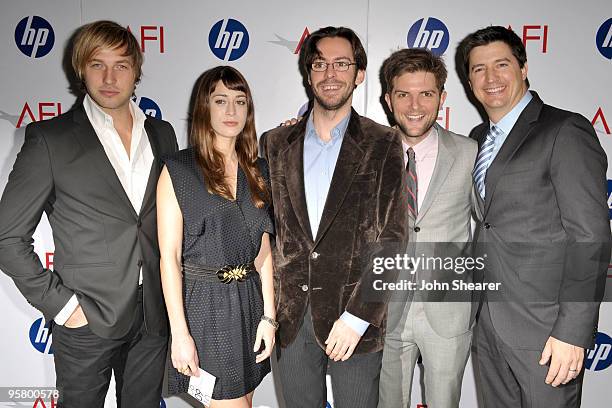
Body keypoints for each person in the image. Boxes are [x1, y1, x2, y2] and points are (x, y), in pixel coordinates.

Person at [0, 21, 178, 407]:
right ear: (81, 69)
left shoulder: (163, 135)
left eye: (122, 65)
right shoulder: (50, 139)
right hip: (86, 320)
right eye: (98, 64)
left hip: (153, 318)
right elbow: (7, 238)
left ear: (137, 71)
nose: (110, 77)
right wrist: (63, 306)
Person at [460, 25, 610, 407]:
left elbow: (590, 237)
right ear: (469, 79)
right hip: (487, 322)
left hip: (547, 330)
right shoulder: (477, 138)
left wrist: (573, 332)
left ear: (523, 68)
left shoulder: (565, 130)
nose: (490, 78)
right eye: (478, 69)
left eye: (501, 65)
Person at [261, 26, 408, 407]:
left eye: (342, 64)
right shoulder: (275, 143)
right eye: (320, 64)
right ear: (308, 73)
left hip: (354, 321)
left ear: (359, 74)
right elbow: (270, 232)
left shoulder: (384, 142)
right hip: (292, 321)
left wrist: (358, 318)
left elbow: (392, 241)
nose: (330, 74)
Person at [157, 66, 276, 408]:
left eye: (240, 101)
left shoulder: (259, 170)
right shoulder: (179, 170)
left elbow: (263, 249)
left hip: (251, 303)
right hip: (206, 309)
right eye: (220, 100)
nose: (231, 111)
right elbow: (169, 257)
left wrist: (269, 316)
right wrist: (180, 334)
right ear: (203, 108)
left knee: (247, 400)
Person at [377, 48, 477, 408]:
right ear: (389, 100)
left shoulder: (470, 153)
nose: (414, 105)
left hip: (448, 311)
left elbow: (492, 222)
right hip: (385, 308)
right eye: (403, 94)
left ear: (442, 98)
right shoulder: (368, 155)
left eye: (426, 94)